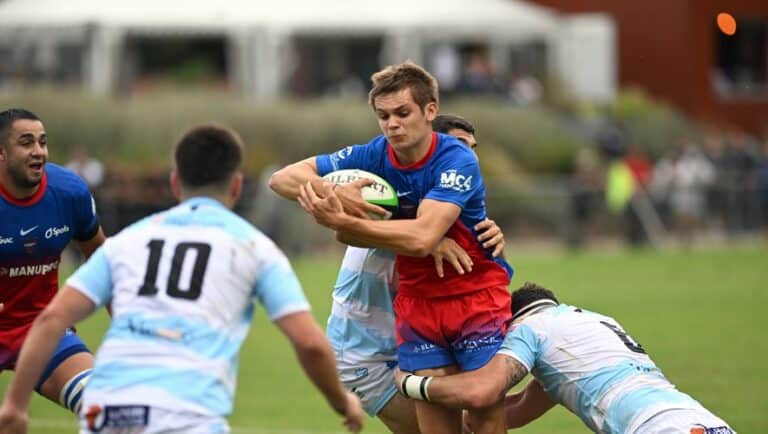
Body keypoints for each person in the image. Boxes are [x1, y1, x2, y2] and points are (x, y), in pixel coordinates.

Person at [0, 124, 364, 434]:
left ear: (175, 184)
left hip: (109, 413)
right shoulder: (254, 248)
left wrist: (15, 405)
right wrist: (342, 402)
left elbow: (51, 319)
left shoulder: (127, 241)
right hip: (189, 416)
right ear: (236, 187)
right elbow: (311, 344)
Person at [270, 62, 513, 434]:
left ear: (429, 113)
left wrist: (345, 219)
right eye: (384, 115)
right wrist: (334, 193)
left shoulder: (455, 165)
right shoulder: (376, 160)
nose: (392, 124)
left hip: (468, 305)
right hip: (376, 337)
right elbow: (283, 180)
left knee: (482, 414)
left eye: (402, 113)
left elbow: (411, 236)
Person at [319, 114, 505, 433]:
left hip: (412, 341)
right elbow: (349, 233)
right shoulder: (392, 203)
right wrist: (428, 243)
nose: (469, 156)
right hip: (364, 356)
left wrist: (495, 238)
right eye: (460, 146)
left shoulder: (445, 207)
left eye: (473, 148)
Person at [395, 282, 736, 434]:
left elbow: (483, 391)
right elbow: (515, 411)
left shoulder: (531, 329)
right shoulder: (592, 321)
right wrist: (468, 421)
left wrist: (412, 383)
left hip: (651, 426)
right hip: (699, 418)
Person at [0, 108, 106, 415]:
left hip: (41, 329)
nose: (38, 152)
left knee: (107, 410)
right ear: (2, 153)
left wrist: (128, 331)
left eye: (42, 142)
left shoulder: (68, 192)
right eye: (26, 142)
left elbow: (104, 260)